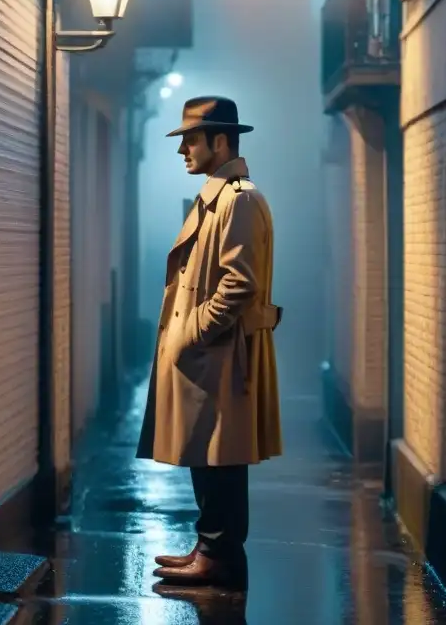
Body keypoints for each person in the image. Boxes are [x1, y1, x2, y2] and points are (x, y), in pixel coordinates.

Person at [136, 95, 283, 589]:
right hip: (210, 354)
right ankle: (209, 547)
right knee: (208, 454)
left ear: (221, 141)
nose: (183, 151)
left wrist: (192, 332)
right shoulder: (217, 196)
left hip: (220, 353)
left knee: (221, 455)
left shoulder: (238, 199)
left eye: (191, 140)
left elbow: (238, 284)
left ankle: (219, 555)